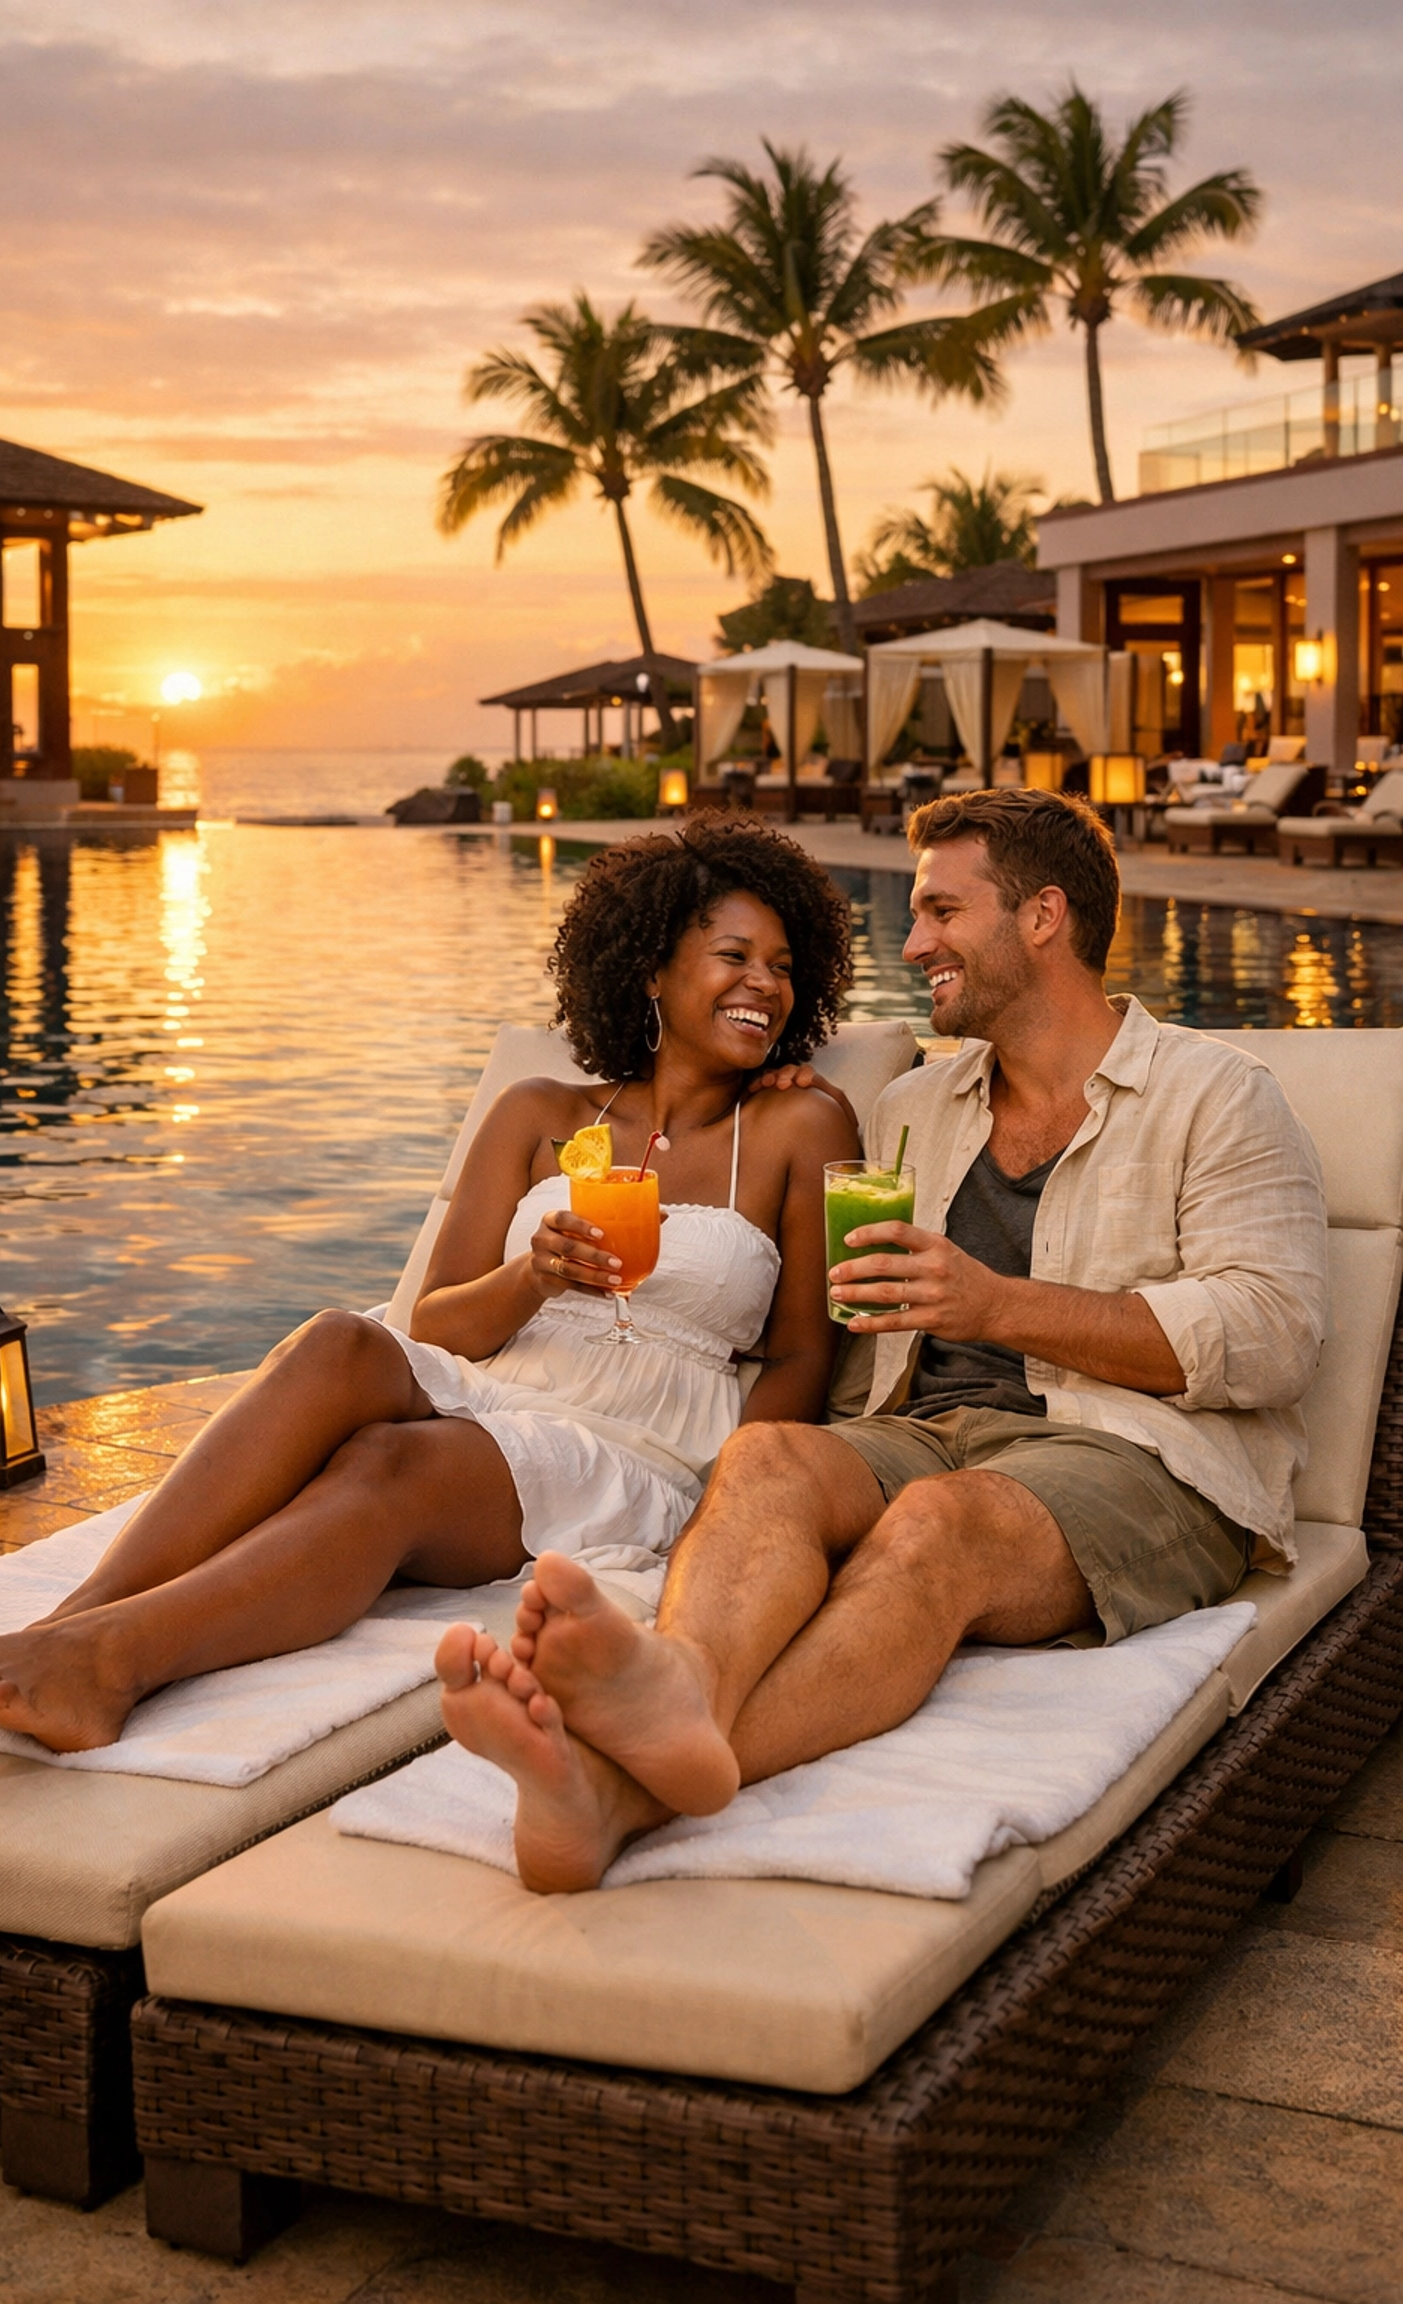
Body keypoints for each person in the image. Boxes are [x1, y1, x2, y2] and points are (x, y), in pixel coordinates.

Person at [437, 788, 1330, 1892]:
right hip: (918, 1427)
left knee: (938, 1525)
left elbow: (1274, 1334)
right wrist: (752, 1091)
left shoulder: (1217, 1097)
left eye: (941, 913)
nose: (912, 946)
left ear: (1042, 917)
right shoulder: (914, 1106)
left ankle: (621, 1795)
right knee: (766, 1460)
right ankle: (674, 1691)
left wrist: (998, 1305)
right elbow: (810, 1309)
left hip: (1133, 1453)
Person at [0, 818, 860, 1753]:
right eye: (734, 956)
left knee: (388, 1465)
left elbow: (803, 1354)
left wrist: (722, 1508)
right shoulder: (538, 1113)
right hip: (506, 1381)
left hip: (648, 1444)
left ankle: (107, 1667)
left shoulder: (801, 1126)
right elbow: (435, 1325)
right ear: (651, 969)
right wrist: (533, 1277)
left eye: (781, 966)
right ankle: (70, 1621)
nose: (763, 986)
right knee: (338, 1340)